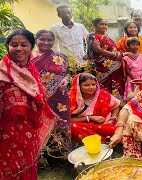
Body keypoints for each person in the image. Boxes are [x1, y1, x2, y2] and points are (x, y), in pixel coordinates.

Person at [0, 29, 56, 179]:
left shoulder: (31, 70)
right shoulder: (1, 72)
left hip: (30, 131)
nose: (19, 48)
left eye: (24, 45)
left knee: (29, 166)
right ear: (8, 47)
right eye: (14, 44)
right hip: (6, 134)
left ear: (31, 47)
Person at [30, 30, 71, 162]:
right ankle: (43, 157)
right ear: (36, 40)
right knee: (40, 125)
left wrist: (66, 79)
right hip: (36, 99)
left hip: (60, 98)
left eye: (49, 40)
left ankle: (63, 153)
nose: (46, 42)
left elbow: (67, 73)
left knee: (62, 123)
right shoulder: (28, 57)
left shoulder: (61, 58)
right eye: (42, 39)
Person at [69, 73, 120, 143]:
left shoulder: (103, 94)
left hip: (105, 125)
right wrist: (90, 118)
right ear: (78, 86)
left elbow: (116, 106)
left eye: (93, 84)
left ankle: (110, 141)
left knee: (117, 129)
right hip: (86, 127)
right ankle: (102, 142)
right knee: (73, 126)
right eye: (86, 85)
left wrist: (112, 119)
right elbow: (69, 119)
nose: (91, 87)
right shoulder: (72, 99)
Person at [87, 18, 125, 103]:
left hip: (116, 68)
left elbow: (115, 48)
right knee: (105, 87)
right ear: (94, 25)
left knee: (116, 86)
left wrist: (119, 53)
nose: (104, 26)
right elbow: (98, 50)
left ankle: (117, 105)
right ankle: (105, 105)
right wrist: (115, 55)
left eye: (105, 24)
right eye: (101, 24)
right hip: (102, 69)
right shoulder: (93, 36)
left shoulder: (108, 37)